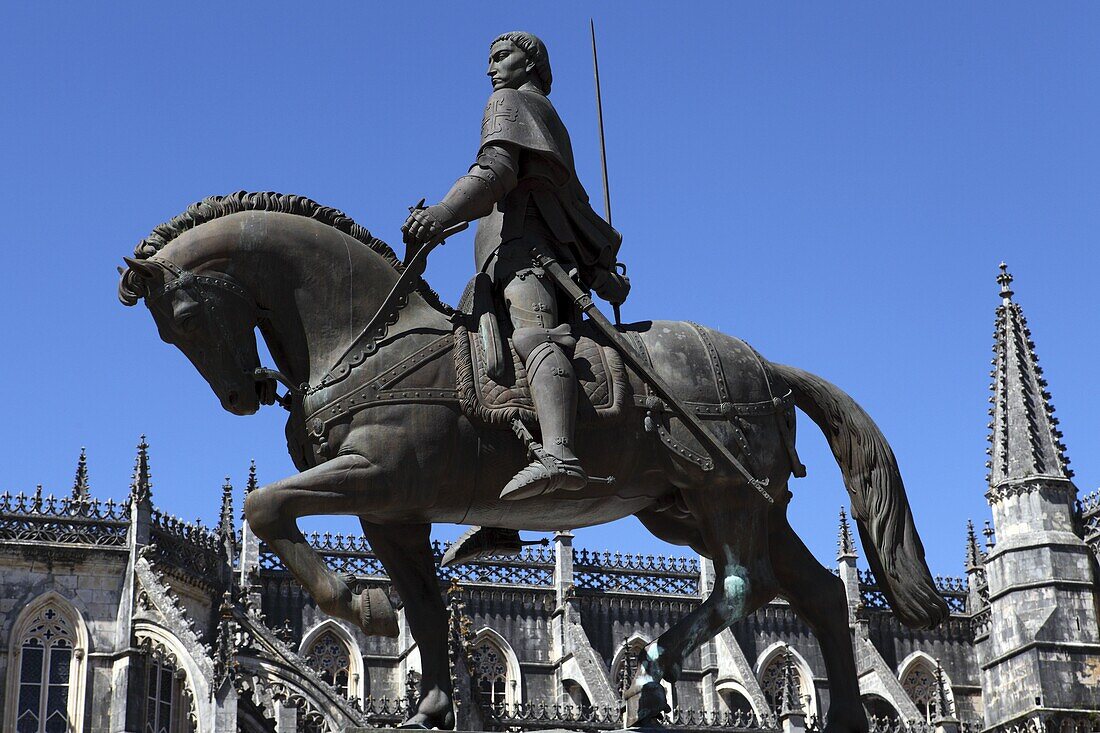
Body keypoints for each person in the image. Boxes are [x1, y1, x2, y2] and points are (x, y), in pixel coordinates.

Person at [403, 31, 628, 502]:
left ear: (530, 63)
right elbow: (570, 204)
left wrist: (441, 214)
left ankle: (560, 455)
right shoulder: (547, 117)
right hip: (507, 262)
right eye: (491, 60)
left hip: (527, 258)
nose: (491, 69)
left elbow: (495, 172)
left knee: (534, 335)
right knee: (487, 370)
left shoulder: (509, 102)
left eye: (502, 56)